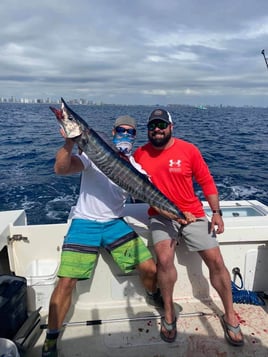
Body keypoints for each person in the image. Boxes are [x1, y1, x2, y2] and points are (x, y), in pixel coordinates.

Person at [42, 115, 163, 357]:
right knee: (66, 281)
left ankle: (152, 295)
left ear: (134, 137)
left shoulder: (137, 169)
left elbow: (152, 197)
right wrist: (68, 143)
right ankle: (51, 337)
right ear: (113, 131)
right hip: (84, 223)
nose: (125, 135)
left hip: (114, 224)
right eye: (121, 130)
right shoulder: (92, 157)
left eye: (130, 132)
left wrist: (178, 216)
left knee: (150, 269)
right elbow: (61, 168)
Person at [133, 108, 244, 346]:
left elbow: (206, 181)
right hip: (160, 215)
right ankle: (169, 313)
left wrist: (216, 213)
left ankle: (230, 313)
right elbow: (130, 183)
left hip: (192, 213)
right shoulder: (140, 154)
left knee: (215, 260)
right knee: (163, 259)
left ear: (171, 127)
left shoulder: (188, 150)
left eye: (162, 125)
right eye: (152, 126)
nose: (157, 130)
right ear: (148, 130)